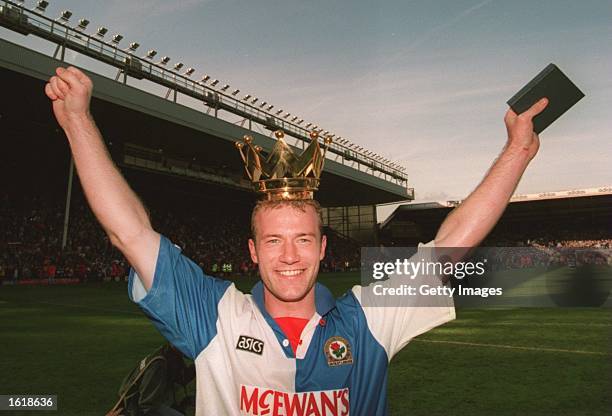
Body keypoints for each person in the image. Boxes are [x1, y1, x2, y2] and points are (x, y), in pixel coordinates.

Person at [46, 66, 548, 415]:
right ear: (252, 251)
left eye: (304, 239)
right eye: (273, 241)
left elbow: (451, 244)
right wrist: (77, 120)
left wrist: (517, 152)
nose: (289, 257)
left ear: (324, 248)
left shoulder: (367, 320)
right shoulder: (214, 316)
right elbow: (128, 230)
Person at [107, 343, 196, 416]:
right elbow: (147, 405)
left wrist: (200, 363)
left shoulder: (169, 353)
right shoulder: (159, 363)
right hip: (134, 410)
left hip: (139, 406)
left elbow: (182, 378)